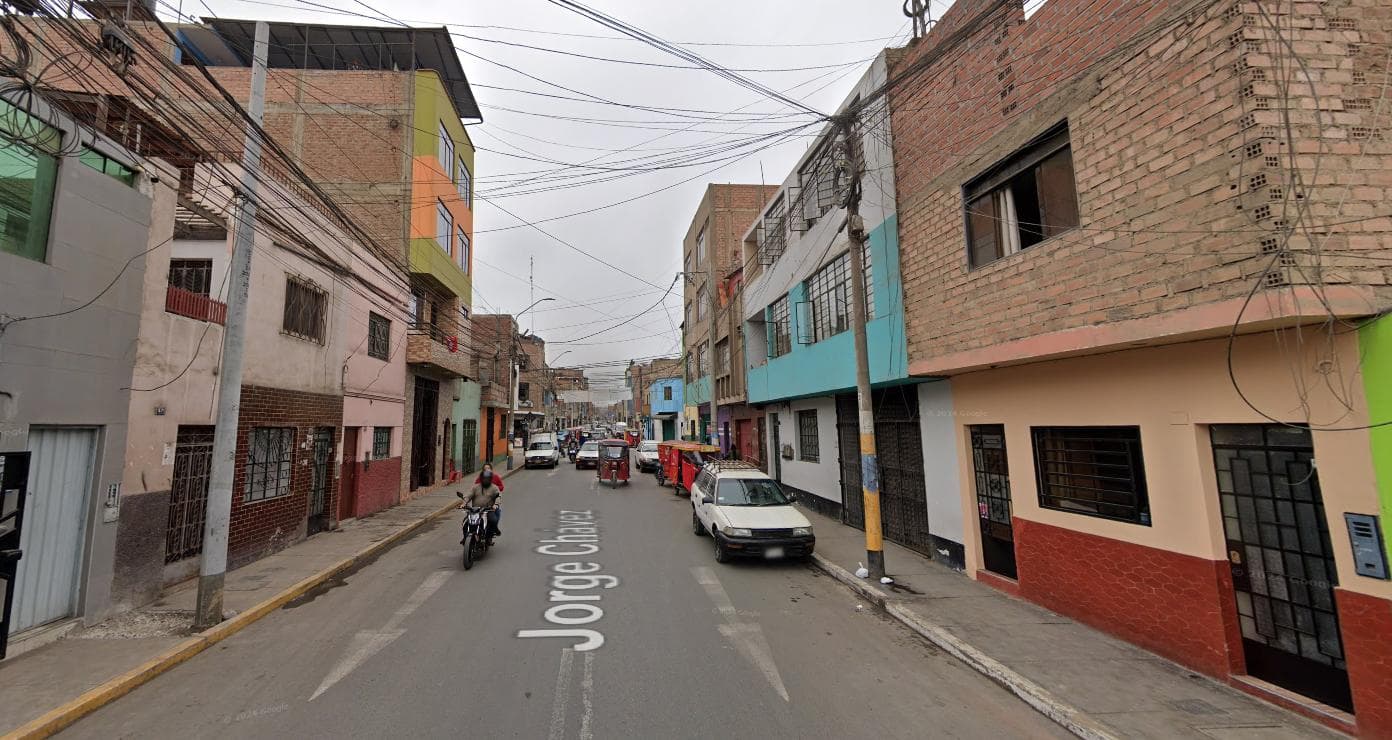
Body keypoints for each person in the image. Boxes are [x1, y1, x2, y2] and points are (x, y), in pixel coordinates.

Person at [461, 468, 503, 540]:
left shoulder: (494, 488)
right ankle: (465, 538)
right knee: (465, 522)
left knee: (493, 520)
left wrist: (495, 505)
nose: (485, 480)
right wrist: (464, 503)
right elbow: (469, 495)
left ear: (490, 479)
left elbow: (498, 496)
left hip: (488, 510)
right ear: (481, 479)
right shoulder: (475, 487)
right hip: (475, 510)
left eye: (487, 479)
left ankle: (488, 537)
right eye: (484, 478)